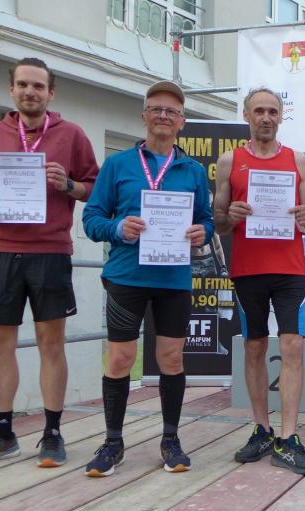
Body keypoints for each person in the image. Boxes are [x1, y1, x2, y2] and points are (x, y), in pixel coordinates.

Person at [0, 58, 98, 469]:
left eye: (38, 86)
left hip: (50, 252)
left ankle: (52, 432)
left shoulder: (72, 135)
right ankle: (2, 432)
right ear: (12, 89)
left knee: (51, 344)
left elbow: (94, 186)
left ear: (50, 93)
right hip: (1, 249)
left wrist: (68, 185)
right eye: (23, 84)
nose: (30, 92)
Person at [82, 80, 213, 476]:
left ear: (182, 122)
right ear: (144, 116)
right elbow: (92, 219)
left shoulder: (192, 171)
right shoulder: (118, 165)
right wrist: (118, 228)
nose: (163, 116)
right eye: (156, 109)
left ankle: (170, 440)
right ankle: (113, 442)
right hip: (127, 276)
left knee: (171, 358)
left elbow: (205, 220)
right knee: (121, 357)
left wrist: (202, 232)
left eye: (172, 111)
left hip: (173, 279)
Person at [214, 87, 305, 475]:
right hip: (248, 269)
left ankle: (288, 437)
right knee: (255, 346)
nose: (265, 117)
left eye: (272, 111)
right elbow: (218, 221)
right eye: (259, 110)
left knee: (292, 346)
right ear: (246, 115)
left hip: (290, 269)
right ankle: (261, 428)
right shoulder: (230, 161)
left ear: (281, 116)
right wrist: (232, 216)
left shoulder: (299, 161)